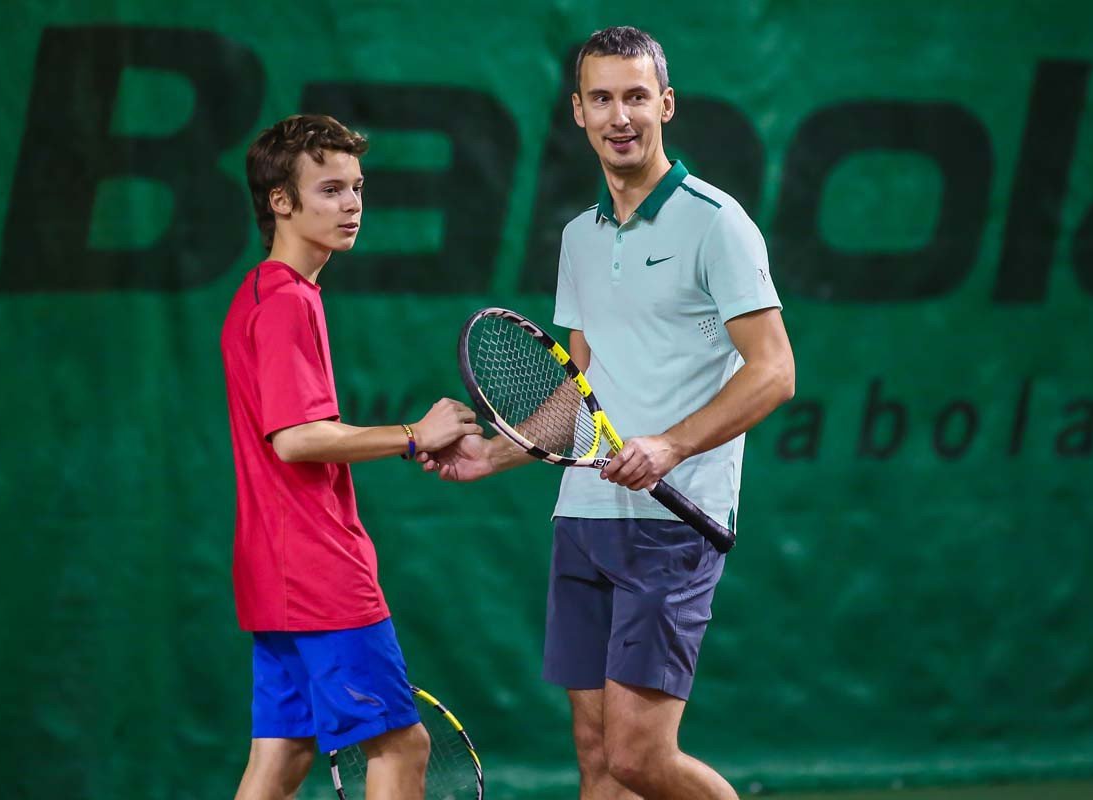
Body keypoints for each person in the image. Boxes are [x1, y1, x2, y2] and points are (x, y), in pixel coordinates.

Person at [420, 27, 795, 800]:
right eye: (602, 99)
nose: (619, 116)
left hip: (673, 522)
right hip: (584, 518)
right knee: (596, 759)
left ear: (666, 104)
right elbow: (582, 385)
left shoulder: (716, 223)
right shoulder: (579, 238)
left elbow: (774, 372)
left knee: (638, 757)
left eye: (635, 97)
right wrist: (495, 453)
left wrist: (669, 447)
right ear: (579, 112)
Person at [220, 114, 481, 800]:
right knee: (401, 745)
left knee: (282, 756)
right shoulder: (285, 302)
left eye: (357, 188)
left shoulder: (264, 292)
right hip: (317, 568)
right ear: (281, 201)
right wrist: (413, 433)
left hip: (272, 569)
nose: (352, 205)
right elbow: (296, 438)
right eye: (331, 190)